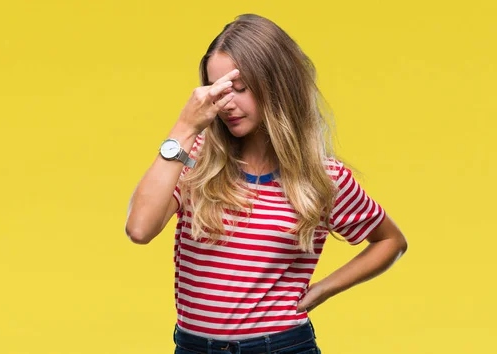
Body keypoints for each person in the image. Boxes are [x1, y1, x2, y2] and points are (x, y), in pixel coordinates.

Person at [125, 13, 408, 354]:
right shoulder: (192, 158)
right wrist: (184, 129)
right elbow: (139, 229)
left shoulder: (322, 177)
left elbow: (390, 241)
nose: (227, 103)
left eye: (240, 89)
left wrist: (323, 289)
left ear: (275, 85)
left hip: (282, 346)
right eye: (217, 92)